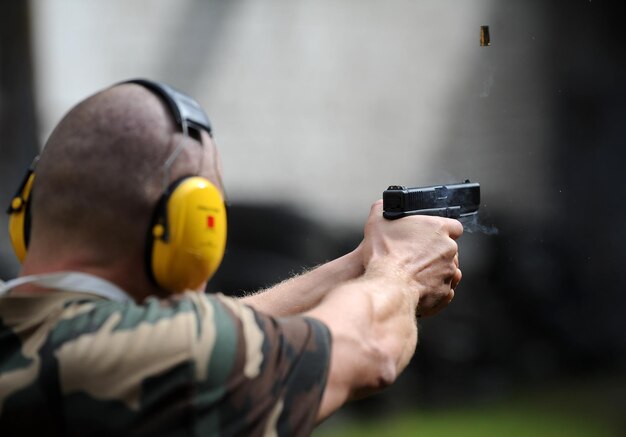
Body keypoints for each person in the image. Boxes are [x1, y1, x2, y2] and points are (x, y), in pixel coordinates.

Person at [0, 80, 463, 436]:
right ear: (187, 225)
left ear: (29, 210)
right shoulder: (170, 356)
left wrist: (360, 262)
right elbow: (370, 349)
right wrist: (402, 269)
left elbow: (228, 331)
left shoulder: (42, 336)